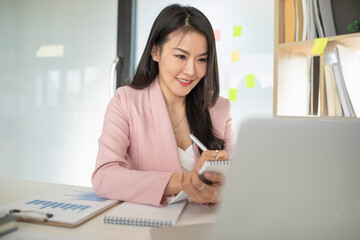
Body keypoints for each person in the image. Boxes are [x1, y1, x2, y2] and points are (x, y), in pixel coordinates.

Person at [92, 4, 234, 206]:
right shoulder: (125, 102)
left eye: (202, 59)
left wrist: (221, 185)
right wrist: (182, 181)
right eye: (181, 56)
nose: (191, 71)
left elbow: (239, 178)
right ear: (155, 52)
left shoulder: (219, 109)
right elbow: (104, 177)